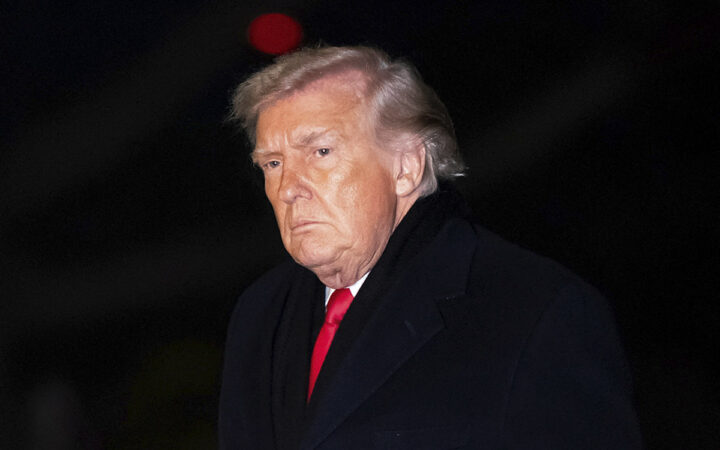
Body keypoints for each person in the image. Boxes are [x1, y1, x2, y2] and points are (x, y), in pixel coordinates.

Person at [219, 45, 642, 450]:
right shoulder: (260, 314)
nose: (288, 188)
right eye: (273, 163)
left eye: (321, 151)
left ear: (406, 166)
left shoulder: (534, 308)